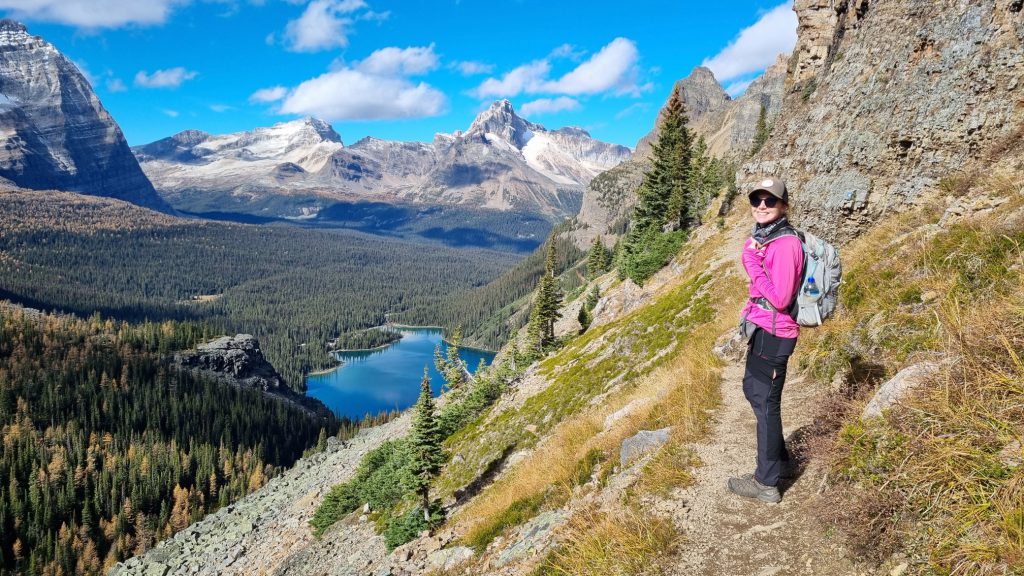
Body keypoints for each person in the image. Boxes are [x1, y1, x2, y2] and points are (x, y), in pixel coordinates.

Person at [728, 177, 804, 504]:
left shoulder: (786, 244)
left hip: (775, 332)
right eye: (756, 200)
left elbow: (781, 298)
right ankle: (780, 461)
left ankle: (766, 483)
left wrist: (751, 264)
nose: (761, 206)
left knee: (764, 401)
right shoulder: (768, 239)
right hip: (765, 330)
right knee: (757, 392)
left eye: (770, 201)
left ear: (784, 206)